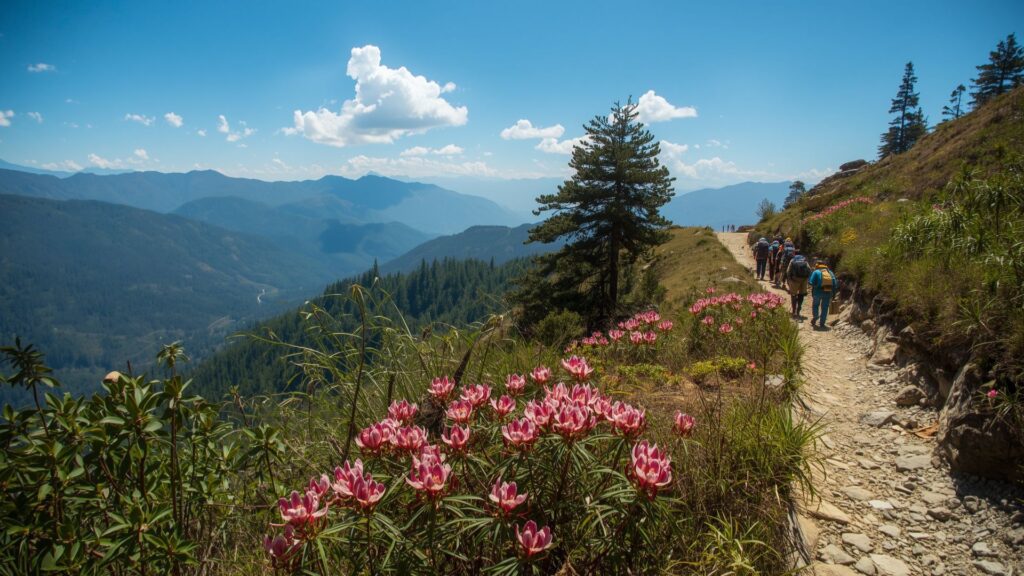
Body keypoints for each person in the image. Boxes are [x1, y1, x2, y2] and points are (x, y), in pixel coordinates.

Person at [809, 258, 840, 329]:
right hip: (828, 293)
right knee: (825, 308)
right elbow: (835, 284)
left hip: (817, 292)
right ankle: (822, 323)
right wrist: (833, 294)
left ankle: (816, 316)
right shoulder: (830, 272)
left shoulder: (816, 272)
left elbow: (811, 282)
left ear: (817, 265)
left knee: (815, 305)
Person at [786, 249, 811, 319]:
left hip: (794, 280)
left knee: (793, 294)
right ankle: (798, 309)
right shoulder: (804, 260)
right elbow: (809, 270)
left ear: (794, 253)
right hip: (803, 280)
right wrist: (806, 279)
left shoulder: (793, 260)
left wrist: (789, 279)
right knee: (801, 294)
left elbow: (788, 271)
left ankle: (794, 311)